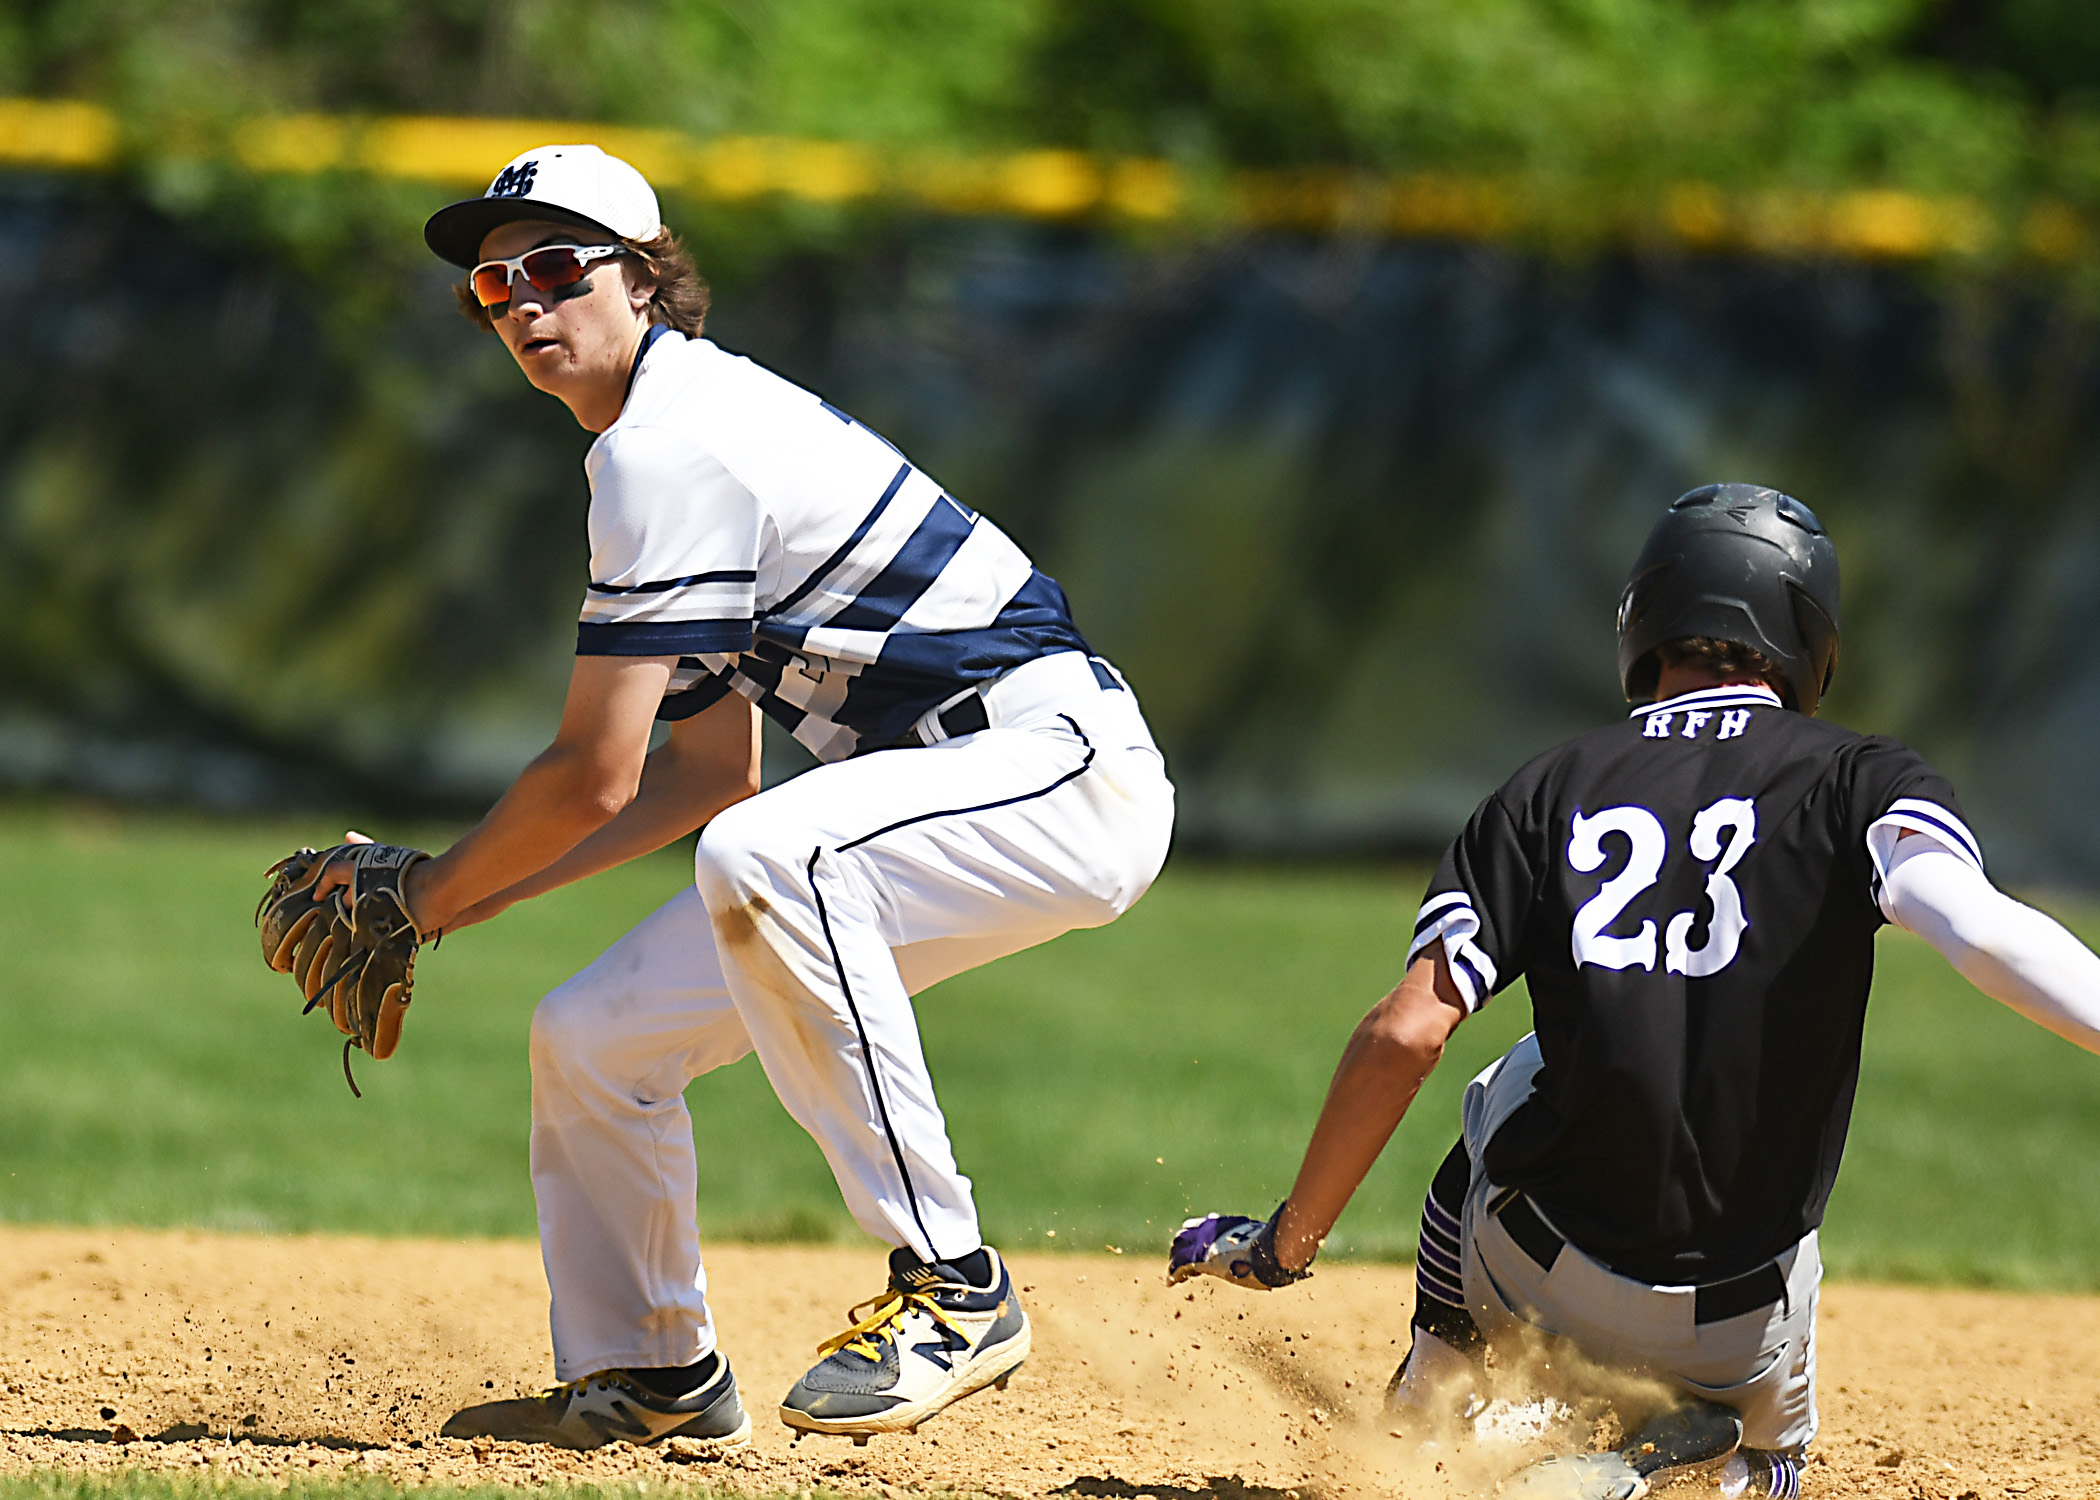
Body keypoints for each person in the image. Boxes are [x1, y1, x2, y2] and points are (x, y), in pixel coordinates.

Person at [383, 144, 1173, 1451]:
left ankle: (955, 1287)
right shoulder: (651, 448)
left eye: (556, 267)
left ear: (642, 278)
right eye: (491, 285)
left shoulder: (669, 448)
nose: (523, 302)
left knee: (772, 858)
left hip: (1055, 767)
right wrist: (448, 900)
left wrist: (424, 896)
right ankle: (653, 1372)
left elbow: (594, 775)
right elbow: (695, 779)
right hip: (931, 798)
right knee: (591, 1041)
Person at [1168, 485, 2100, 1499]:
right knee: (1780, 1466)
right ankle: (1707, 1460)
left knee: (1503, 1086)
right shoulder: (1860, 777)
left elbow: (1405, 1036)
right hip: (1740, 1317)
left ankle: (1437, 1389)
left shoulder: (1548, 785)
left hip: (1537, 1271)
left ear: (1647, 625)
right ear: (1808, 639)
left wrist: (1281, 1246)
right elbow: (1981, 933)